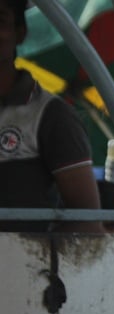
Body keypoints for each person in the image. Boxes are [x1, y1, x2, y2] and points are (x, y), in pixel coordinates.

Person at [0, 0, 102, 232]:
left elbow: (88, 225)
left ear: (20, 32)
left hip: (23, 264)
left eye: (1, 20)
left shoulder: (50, 115)